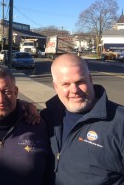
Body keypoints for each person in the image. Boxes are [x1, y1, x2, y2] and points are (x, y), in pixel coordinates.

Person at [40, 53, 124, 185]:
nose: (74, 90)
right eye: (66, 84)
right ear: (56, 87)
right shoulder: (45, 118)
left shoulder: (120, 122)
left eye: (80, 82)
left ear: (90, 80)